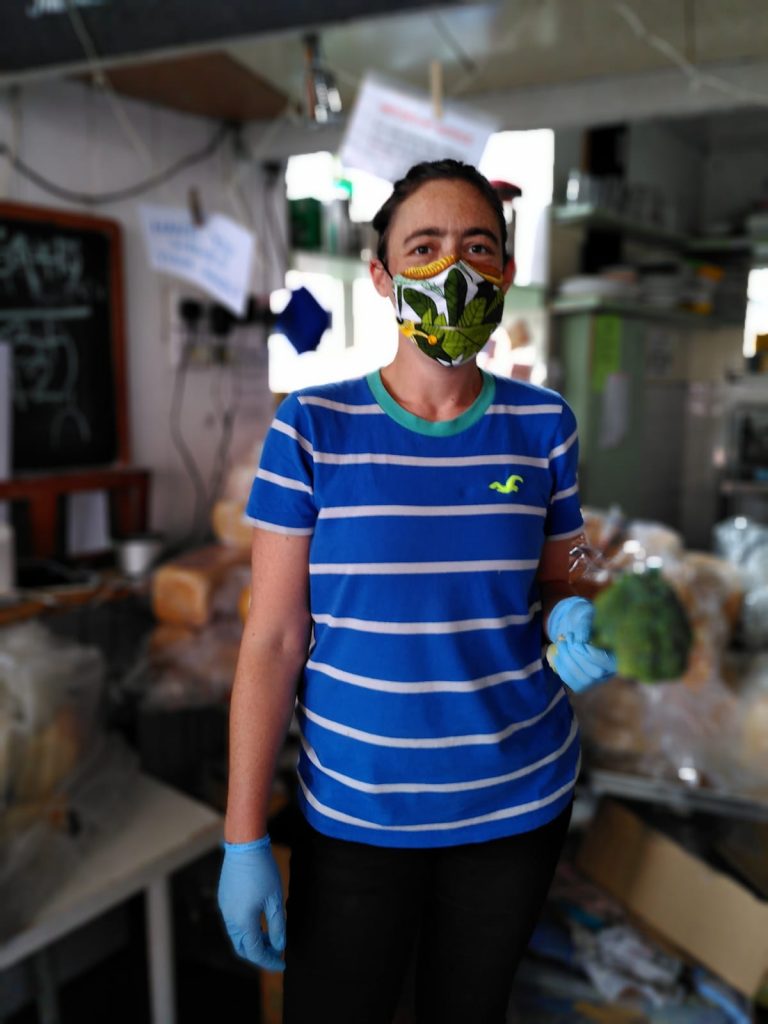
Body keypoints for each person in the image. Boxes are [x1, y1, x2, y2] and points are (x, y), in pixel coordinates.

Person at [217, 159, 617, 1024]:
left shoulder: (544, 424)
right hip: (356, 817)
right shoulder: (311, 428)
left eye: (478, 248)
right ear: (381, 274)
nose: (455, 270)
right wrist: (243, 832)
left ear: (507, 273)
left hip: (517, 805)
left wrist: (578, 606)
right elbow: (274, 641)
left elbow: (565, 572)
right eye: (425, 248)